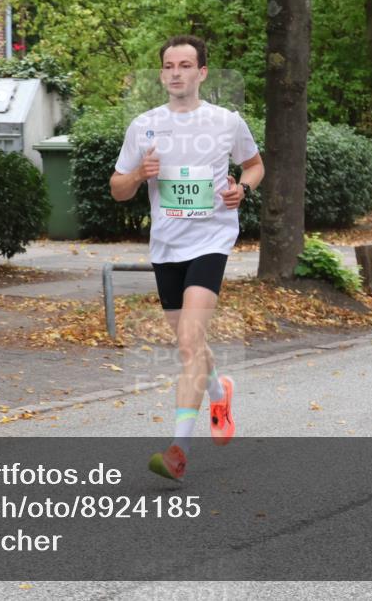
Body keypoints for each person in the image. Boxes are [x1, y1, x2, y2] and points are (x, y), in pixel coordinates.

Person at [109, 35, 264, 480]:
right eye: (168, 65)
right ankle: (220, 391)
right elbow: (118, 189)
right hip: (167, 246)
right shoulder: (144, 126)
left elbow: (254, 165)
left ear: (202, 73)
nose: (176, 72)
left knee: (188, 344)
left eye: (185, 65)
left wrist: (243, 189)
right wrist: (140, 174)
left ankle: (178, 448)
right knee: (190, 343)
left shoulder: (226, 122)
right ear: (161, 73)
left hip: (211, 240)